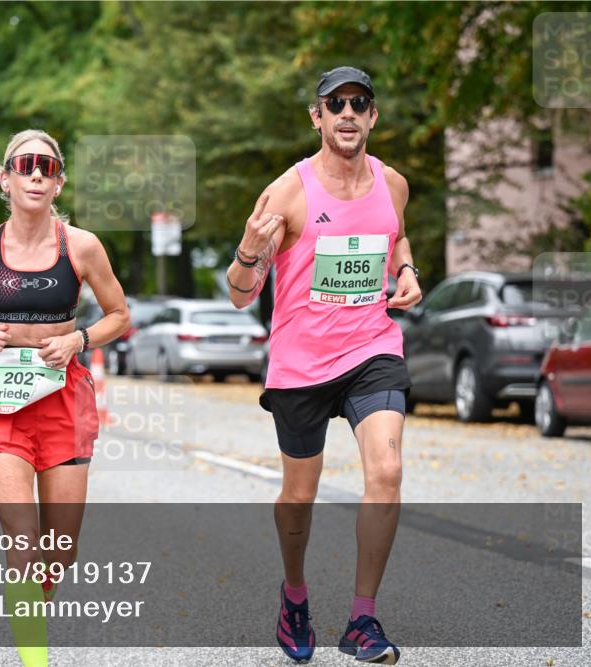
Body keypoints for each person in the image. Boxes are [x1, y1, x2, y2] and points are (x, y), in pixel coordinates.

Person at [226, 67, 422, 665]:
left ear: (372, 116)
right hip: (302, 361)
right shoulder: (285, 193)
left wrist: (409, 271)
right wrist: (247, 253)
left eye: (358, 103)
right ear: (317, 117)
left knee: (386, 473)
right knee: (299, 497)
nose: (347, 113)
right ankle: (295, 597)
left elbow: (397, 239)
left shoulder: (393, 184)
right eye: (334, 104)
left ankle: (362, 621)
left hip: (372, 349)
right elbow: (240, 293)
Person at [0, 129, 129, 667]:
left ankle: (31, 617)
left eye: (46, 168)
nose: (35, 174)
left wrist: (81, 338)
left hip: (63, 397)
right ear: (4, 178)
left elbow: (119, 314)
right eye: (24, 165)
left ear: (59, 183)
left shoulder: (83, 246)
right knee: (23, 538)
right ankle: (34, 660)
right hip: (2, 398)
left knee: (60, 551)